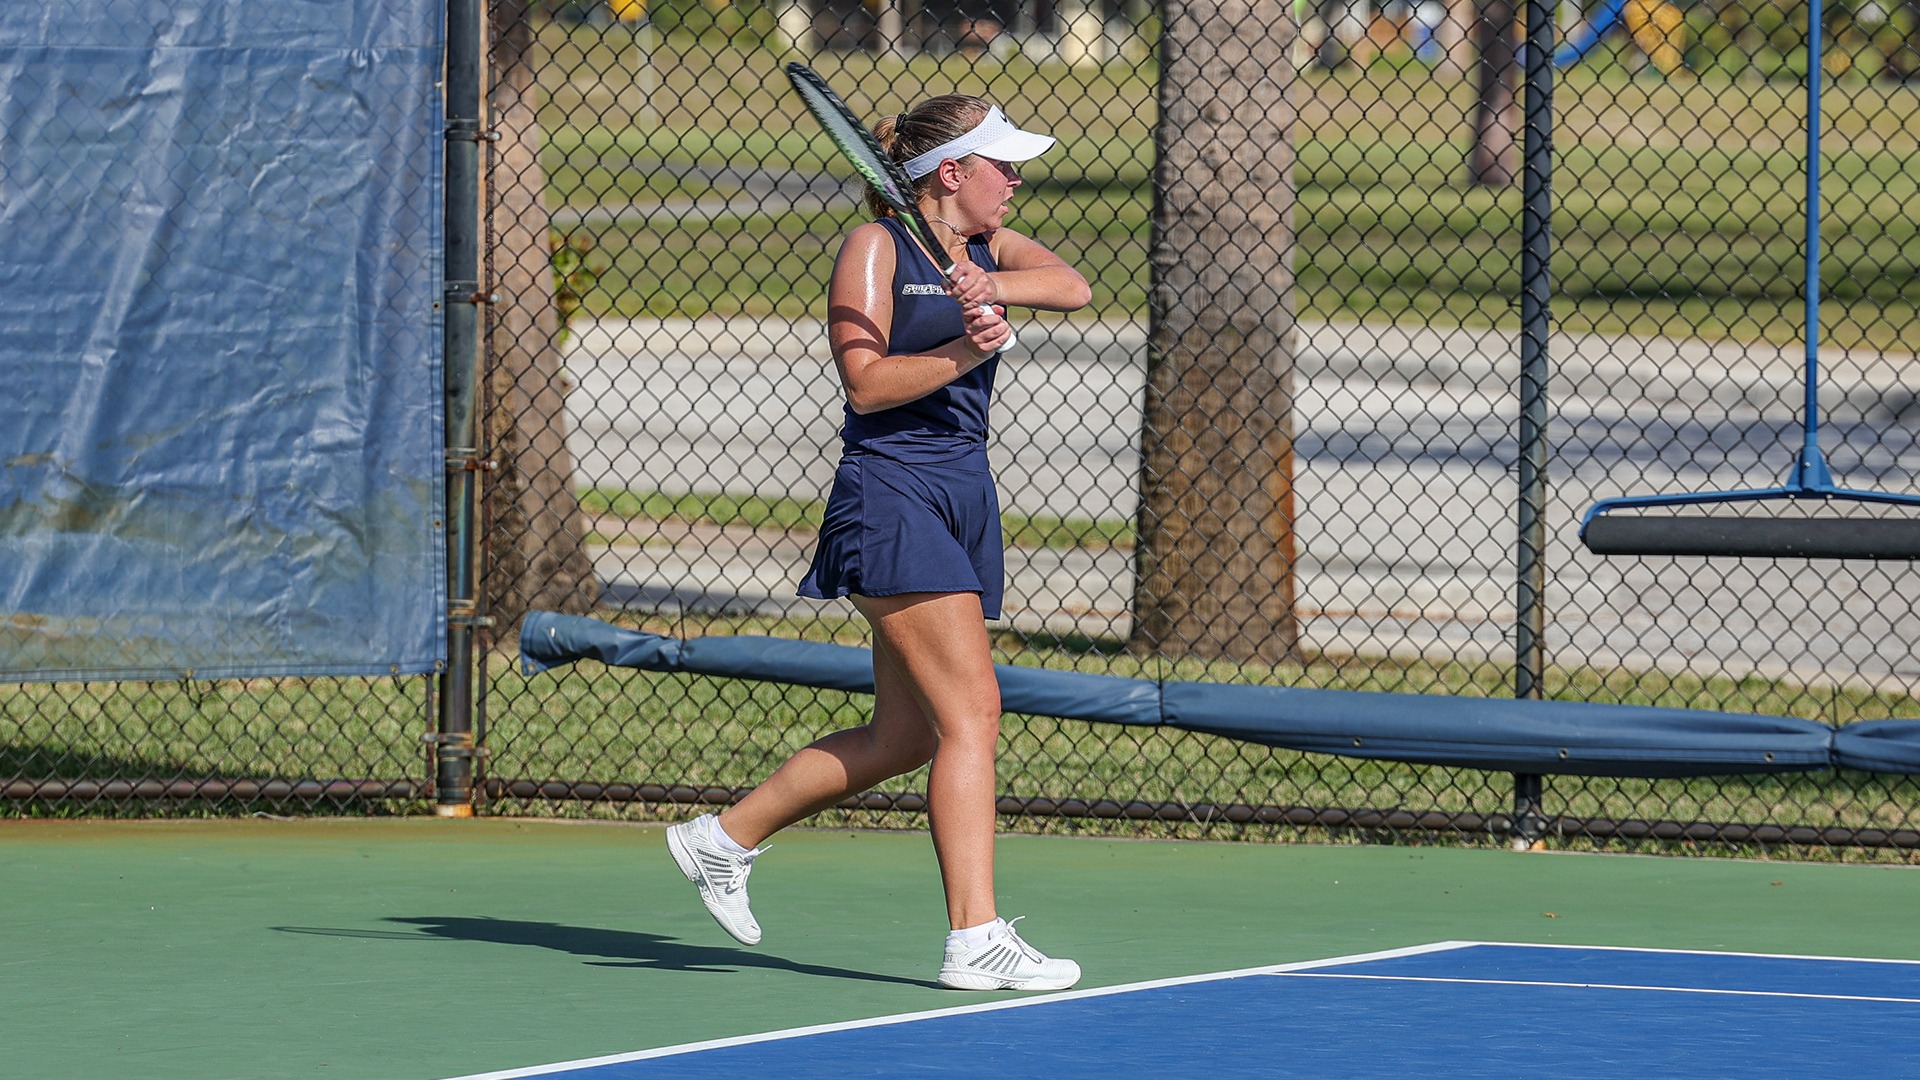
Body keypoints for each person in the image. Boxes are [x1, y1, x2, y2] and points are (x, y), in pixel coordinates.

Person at [666, 93, 1092, 991]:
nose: (1015, 181)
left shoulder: (985, 249)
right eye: (1001, 166)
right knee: (973, 715)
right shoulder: (876, 248)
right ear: (952, 173)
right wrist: (970, 350)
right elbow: (866, 385)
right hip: (891, 494)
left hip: (963, 495)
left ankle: (722, 837)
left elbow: (1070, 285)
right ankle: (974, 937)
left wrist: (991, 289)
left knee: (907, 736)